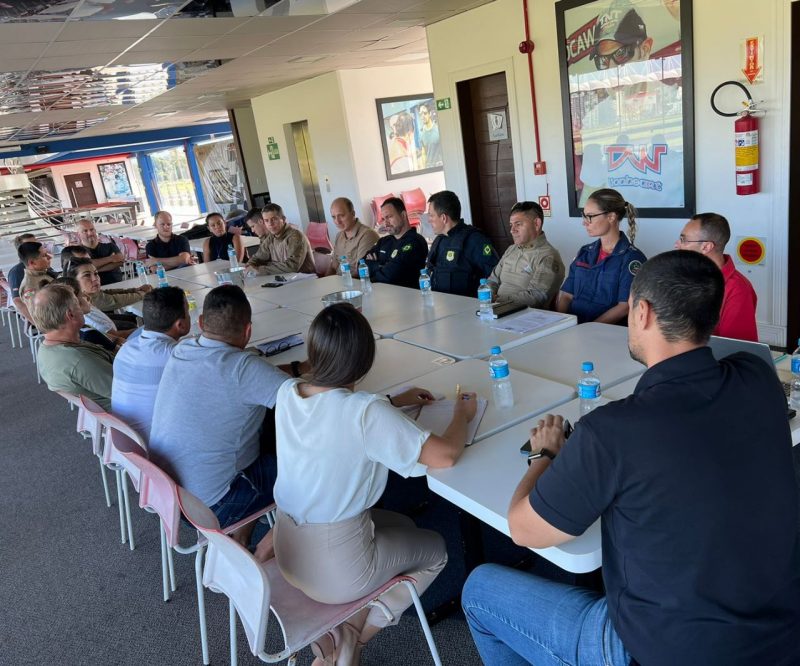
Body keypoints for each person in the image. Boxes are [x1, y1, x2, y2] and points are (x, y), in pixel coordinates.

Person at [462, 250, 800, 666]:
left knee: (479, 591)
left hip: (658, 650)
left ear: (641, 312)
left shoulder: (612, 431)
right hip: (780, 632)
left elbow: (524, 530)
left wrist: (543, 455)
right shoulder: (757, 376)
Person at [273, 303, 477, 665]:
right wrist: (462, 414)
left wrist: (393, 403)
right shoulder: (366, 412)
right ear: (365, 358)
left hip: (288, 548)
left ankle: (341, 633)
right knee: (434, 551)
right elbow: (445, 455)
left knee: (402, 525)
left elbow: (334, 413)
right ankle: (356, 637)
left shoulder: (288, 392)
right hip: (338, 569)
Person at [148, 285, 305, 551]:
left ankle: (240, 539)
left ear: (200, 323)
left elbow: (251, 377)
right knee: (304, 465)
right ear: (248, 331)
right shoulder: (244, 369)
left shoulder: (182, 350)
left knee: (258, 438)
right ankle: (265, 551)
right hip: (214, 508)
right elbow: (306, 404)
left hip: (172, 498)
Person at [556, 187, 646, 323]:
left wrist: (589, 328)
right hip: (572, 328)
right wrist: (560, 323)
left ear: (611, 217)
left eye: (590, 216)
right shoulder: (584, 252)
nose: (584, 222)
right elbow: (566, 295)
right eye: (584, 215)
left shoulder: (632, 258)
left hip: (604, 334)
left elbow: (624, 306)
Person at [112, 287, 190, 440]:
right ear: (180, 325)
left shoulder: (126, 348)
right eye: (188, 312)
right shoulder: (176, 356)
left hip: (127, 444)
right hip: (156, 450)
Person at [675, 212, 758, 341]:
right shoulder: (685, 277)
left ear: (706, 246)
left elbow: (736, 349)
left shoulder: (738, 290)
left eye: (683, 240)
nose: (677, 245)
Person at [31, 283, 115, 410]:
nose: (82, 308)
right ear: (70, 315)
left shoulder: (46, 349)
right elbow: (131, 392)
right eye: (77, 304)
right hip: (137, 414)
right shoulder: (79, 361)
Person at [487, 201, 565, 308]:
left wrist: (498, 300)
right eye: (511, 225)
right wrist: (488, 295)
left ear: (536, 224)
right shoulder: (511, 249)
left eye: (518, 224)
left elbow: (536, 297)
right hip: (495, 308)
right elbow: (492, 280)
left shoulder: (548, 256)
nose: (512, 230)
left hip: (524, 315)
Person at [425, 190, 498, 296]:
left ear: (444, 218)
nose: (429, 220)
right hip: (440, 304)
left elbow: (495, 275)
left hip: (468, 307)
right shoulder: (438, 241)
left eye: (431, 215)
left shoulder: (475, 240)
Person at [361, 197, 428, 289]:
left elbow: (390, 276)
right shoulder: (384, 241)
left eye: (389, 217)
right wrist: (383, 266)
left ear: (403, 215)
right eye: (384, 219)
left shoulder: (415, 241)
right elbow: (361, 265)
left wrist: (375, 264)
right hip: (381, 295)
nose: (386, 223)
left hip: (407, 298)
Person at [66, 258, 150, 328]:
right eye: (87, 275)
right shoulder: (82, 298)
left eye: (96, 273)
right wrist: (142, 294)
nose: (94, 278)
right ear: (74, 281)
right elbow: (113, 301)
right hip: (101, 334)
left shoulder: (88, 292)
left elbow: (107, 293)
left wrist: (135, 290)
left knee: (130, 317)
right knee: (131, 324)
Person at [244, 203, 315, 275]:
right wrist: (249, 265)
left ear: (283, 219)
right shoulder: (271, 236)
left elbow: (292, 266)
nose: (270, 224)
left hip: (305, 280)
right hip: (286, 279)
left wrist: (259, 269)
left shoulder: (295, 236)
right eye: (266, 221)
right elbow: (258, 257)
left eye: (274, 219)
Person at [53, 276, 119, 352]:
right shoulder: (89, 334)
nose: (88, 296)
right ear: (76, 302)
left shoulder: (82, 328)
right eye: (82, 294)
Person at [328, 197, 380, 278]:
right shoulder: (339, 235)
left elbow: (361, 271)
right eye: (334, 217)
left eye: (341, 215)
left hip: (355, 285)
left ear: (353, 213)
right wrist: (325, 282)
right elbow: (333, 266)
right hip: (338, 283)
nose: (337, 221)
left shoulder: (367, 235)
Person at [76, 218, 125, 285]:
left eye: (91, 229)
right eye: (85, 231)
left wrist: (92, 270)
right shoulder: (78, 251)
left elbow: (120, 261)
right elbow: (87, 265)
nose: (90, 233)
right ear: (79, 234)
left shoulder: (110, 246)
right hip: (95, 288)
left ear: (95, 230)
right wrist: (111, 258)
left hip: (117, 283)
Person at [18, 241, 56, 309]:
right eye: (44, 255)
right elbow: (38, 313)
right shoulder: (29, 286)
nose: (49, 257)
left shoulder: (44, 273)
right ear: (32, 262)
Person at [418, 102, 442, 168]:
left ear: (430, 114)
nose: (422, 116)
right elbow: (423, 153)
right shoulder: (421, 134)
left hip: (440, 166)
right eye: (420, 114)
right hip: (429, 167)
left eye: (425, 113)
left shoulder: (438, 130)